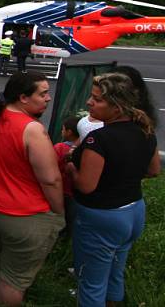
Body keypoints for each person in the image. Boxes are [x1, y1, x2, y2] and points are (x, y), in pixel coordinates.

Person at [0, 71, 64, 307]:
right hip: (22, 214)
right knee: (14, 279)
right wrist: (58, 211)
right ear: (23, 97)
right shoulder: (32, 130)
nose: (47, 99)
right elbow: (51, 179)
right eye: (42, 94)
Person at [68, 73, 159, 307]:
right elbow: (153, 171)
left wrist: (71, 168)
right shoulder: (145, 130)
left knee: (91, 282)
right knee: (114, 273)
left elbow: (86, 186)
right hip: (133, 211)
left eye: (97, 99)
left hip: (101, 218)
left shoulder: (99, 139)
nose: (89, 102)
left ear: (117, 107)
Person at [53, 115, 80, 235]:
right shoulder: (86, 149)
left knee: (58, 218)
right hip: (75, 193)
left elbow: (52, 166)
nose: (62, 131)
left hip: (61, 190)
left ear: (69, 132)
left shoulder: (60, 148)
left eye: (63, 129)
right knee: (71, 220)